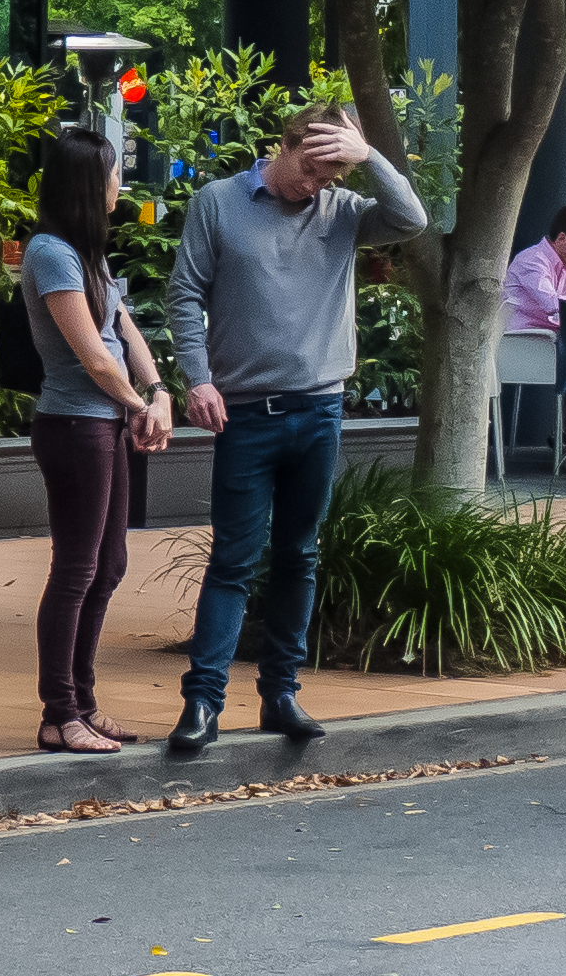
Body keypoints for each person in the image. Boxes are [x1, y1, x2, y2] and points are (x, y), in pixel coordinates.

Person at [167, 102, 430, 756]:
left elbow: (412, 219)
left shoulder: (342, 213)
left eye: (331, 175)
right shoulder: (218, 203)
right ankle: (202, 703)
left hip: (319, 410)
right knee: (232, 560)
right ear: (284, 146)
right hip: (245, 413)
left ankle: (280, 694)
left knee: (299, 556)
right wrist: (197, 378)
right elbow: (184, 292)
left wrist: (369, 159)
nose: (317, 186)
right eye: (312, 169)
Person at [19, 125, 176, 756]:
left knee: (108, 566)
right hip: (75, 425)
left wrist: (159, 390)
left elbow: (125, 333)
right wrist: (139, 405)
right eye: (115, 173)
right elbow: (93, 358)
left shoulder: (89, 255)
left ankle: (83, 702)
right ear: (91, 183)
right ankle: (58, 714)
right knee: (77, 568)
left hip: (106, 422)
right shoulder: (51, 254)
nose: (122, 184)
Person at [506, 205, 566, 334]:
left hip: (548, 337)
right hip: (521, 339)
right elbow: (553, 304)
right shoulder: (531, 260)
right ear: (561, 238)